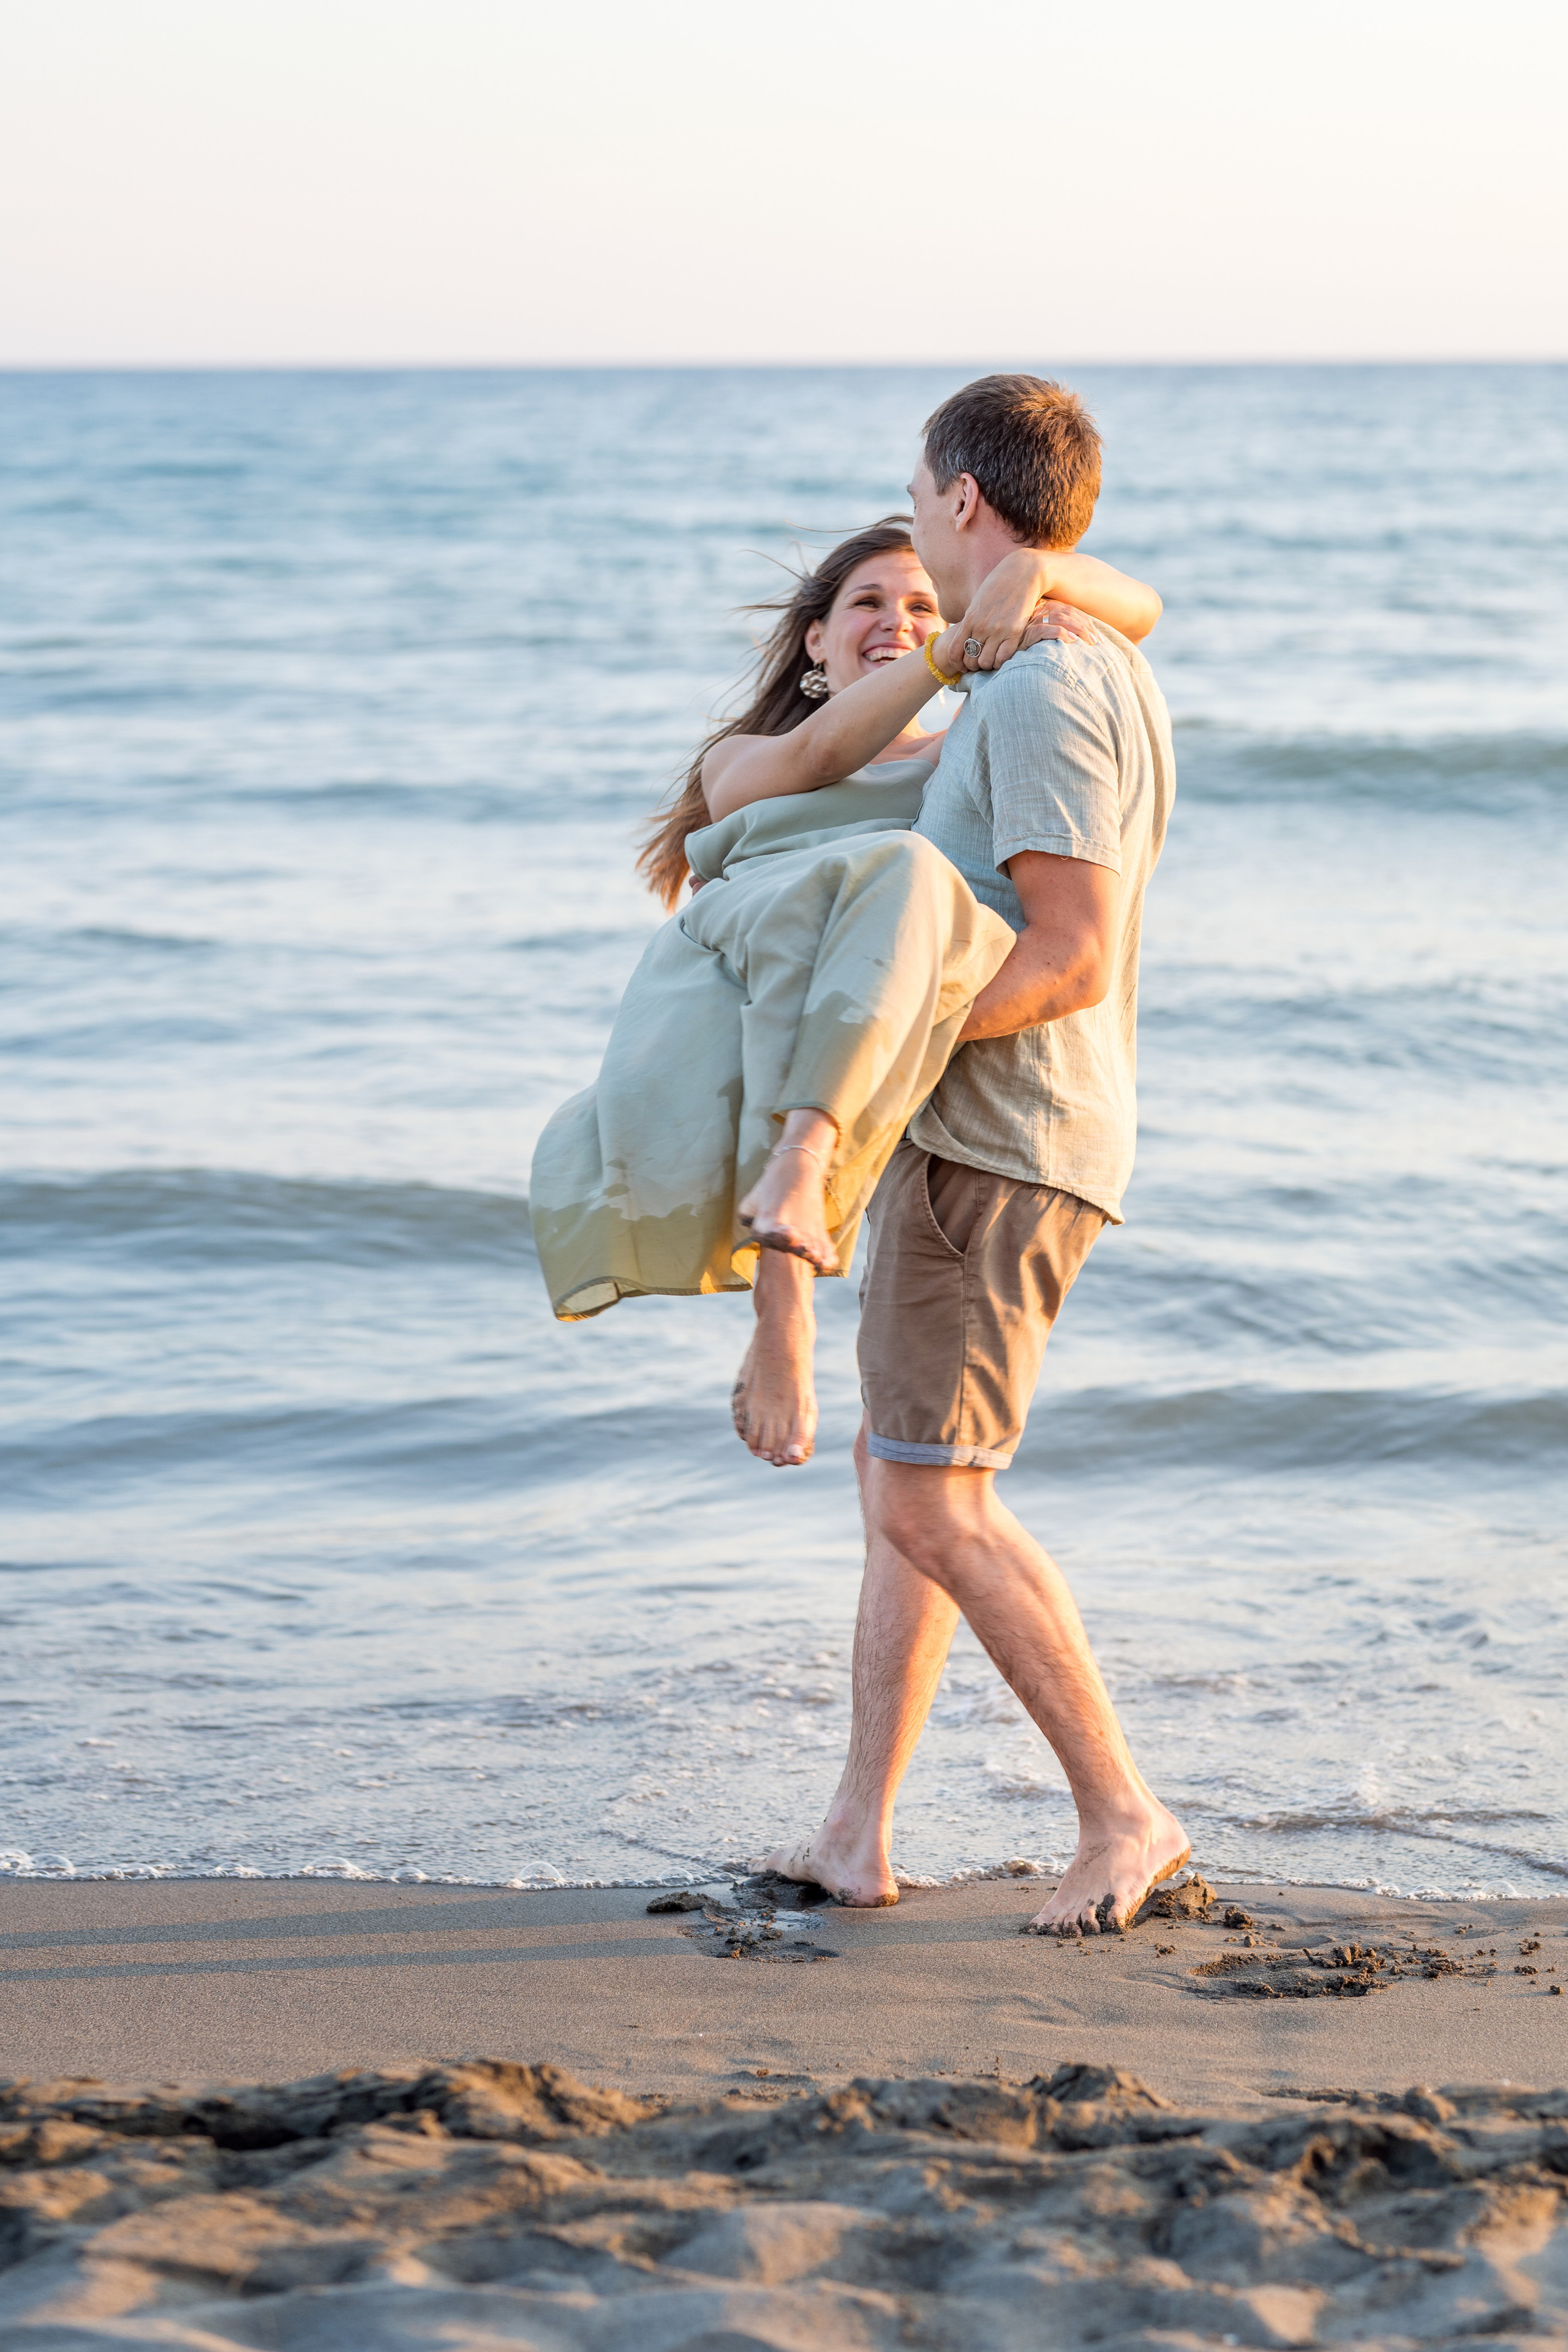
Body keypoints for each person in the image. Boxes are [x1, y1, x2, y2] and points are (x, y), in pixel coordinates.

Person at [758, 374, 1189, 1937]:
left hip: (995, 1146)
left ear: (956, 496)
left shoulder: (1040, 687)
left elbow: (1066, 953)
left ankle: (1121, 1813)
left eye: (918, 506)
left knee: (936, 1506)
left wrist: (876, 1065)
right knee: (903, 1483)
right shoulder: (1081, 654)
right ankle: (853, 1834)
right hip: (973, 1143)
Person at [529, 521, 1159, 1483]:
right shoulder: (741, 757)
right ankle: (782, 1299)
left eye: (921, 604)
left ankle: (794, 1211)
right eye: (866, 603)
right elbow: (821, 751)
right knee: (904, 871)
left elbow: (1143, 610)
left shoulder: (964, 750)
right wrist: (956, 648)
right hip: (746, 950)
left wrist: (1034, 571)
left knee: (905, 1469)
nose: (897, 623)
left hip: (845, 989)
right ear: (814, 640)